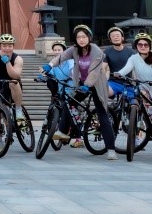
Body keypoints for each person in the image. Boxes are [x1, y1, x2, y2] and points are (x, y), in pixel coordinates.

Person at [48, 25, 118, 160]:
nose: (81, 39)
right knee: (70, 102)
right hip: (82, 83)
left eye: (84, 37)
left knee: (102, 114)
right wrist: (50, 65)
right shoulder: (74, 50)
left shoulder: (96, 51)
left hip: (97, 84)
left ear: (89, 38)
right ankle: (63, 131)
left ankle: (111, 149)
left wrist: (87, 85)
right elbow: (61, 57)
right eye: (78, 37)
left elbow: (94, 71)